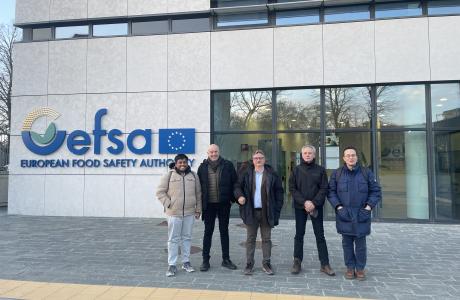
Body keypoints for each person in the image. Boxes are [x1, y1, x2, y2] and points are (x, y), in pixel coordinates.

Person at [328, 146, 381, 281]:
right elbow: (331, 192)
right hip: (344, 213)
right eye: (348, 155)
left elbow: (376, 191)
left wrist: (368, 208)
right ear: (344, 158)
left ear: (357, 157)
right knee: (346, 243)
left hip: (362, 213)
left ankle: (360, 268)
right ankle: (350, 268)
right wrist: (339, 207)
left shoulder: (366, 173)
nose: (351, 157)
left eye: (353, 155)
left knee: (361, 244)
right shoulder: (337, 174)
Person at [234, 149, 284, 275]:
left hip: (267, 212)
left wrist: (277, 209)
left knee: (266, 239)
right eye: (256, 158)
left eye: (261, 158)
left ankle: (266, 263)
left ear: (264, 159)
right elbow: (237, 186)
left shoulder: (272, 173)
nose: (258, 160)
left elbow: (279, 192)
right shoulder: (246, 173)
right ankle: (249, 263)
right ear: (253, 160)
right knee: (250, 239)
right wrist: (239, 196)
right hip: (251, 210)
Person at [289, 145, 335, 276]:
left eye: (310, 153)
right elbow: (292, 188)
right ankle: (297, 261)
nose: (307, 155)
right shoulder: (296, 170)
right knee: (299, 234)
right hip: (300, 207)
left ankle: (324, 264)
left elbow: (324, 188)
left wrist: (313, 203)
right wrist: (305, 202)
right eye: (305, 153)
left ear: (314, 155)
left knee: (320, 235)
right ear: (302, 155)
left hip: (316, 207)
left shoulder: (320, 170)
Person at [156, 154, 202, 277]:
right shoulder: (169, 175)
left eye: (184, 162)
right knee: (173, 239)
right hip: (173, 213)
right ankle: (172, 264)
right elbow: (160, 192)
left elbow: (198, 193)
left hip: (189, 213)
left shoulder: (193, 175)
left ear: (187, 163)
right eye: (180, 162)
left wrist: (198, 209)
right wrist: (169, 204)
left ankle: (186, 262)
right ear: (176, 163)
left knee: (187, 238)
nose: (182, 165)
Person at [197, 144, 238, 271]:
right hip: (208, 205)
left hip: (223, 204)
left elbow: (235, 182)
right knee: (208, 232)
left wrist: (232, 199)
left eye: (215, 151)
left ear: (219, 152)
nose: (213, 154)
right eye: (211, 152)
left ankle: (226, 259)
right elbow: (199, 187)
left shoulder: (228, 165)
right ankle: (205, 260)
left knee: (224, 232)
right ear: (207, 153)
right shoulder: (202, 167)